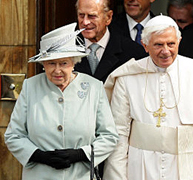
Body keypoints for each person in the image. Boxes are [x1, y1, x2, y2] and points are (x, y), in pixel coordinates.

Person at [103, 15, 193, 180]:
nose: (165, 51)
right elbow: (119, 135)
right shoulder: (127, 77)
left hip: (189, 169)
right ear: (145, 45)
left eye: (171, 44)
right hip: (140, 170)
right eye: (158, 44)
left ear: (179, 42)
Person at [4, 23, 118, 180]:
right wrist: (39, 156)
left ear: (74, 62)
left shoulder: (94, 87)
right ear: (43, 64)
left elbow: (109, 136)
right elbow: (13, 135)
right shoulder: (31, 87)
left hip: (80, 175)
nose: (57, 70)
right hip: (39, 175)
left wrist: (80, 154)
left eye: (63, 63)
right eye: (51, 63)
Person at [74, 0, 147, 83]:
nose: (85, 22)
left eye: (92, 16)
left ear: (108, 17)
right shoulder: (66, 48)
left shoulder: (133, 52)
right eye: (81, 15)